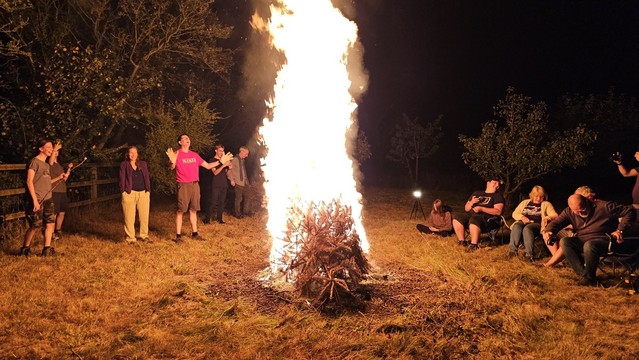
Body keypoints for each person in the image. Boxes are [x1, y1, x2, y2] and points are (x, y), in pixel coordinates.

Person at [542, 194, 635, 286]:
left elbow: (630, 211)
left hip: (605, 240)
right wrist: (549, 230)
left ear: (587, 201)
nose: (580, 212)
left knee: (590, 244)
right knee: (565, 242)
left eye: (582, 208)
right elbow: (557, 222)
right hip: (583, 240)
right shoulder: (569, 212)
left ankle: (588, 278)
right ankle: (585, 275)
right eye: (576, 211)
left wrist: (620, 230)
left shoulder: (604, 206)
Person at [166, 134, 232, 242]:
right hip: (183, 184)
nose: (187, 140)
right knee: (181, 210)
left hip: (195, 185)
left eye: (188, 138)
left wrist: (221, 162)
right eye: (185, 138)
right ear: (179, 142)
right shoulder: (177, 154)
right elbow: (172, 167)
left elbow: (208, 166)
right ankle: (178, 236)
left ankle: (195, 234)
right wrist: (172, 161)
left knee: (194, 209)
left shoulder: (194, 155)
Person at [19, 139, 68, 257]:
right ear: (41, 149)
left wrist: (59, 178)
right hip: (37, 199)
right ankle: (25, 248)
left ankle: (47, 249)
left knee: (50, 223)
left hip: (48, 199)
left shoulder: (46, 165)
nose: (52, 149)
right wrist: (35, 201)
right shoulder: (34, 162)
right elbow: (29, 181)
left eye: (52, 147)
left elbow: (47, 182)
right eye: (49, 147)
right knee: (35, 225)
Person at [452, 176, 505, 252]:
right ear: (488, 183)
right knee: (457, 217)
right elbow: (466, 208)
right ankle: (462, 241)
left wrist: (481, 208)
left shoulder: (498, 196)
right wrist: (471, 203)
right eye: (495, 183)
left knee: (475, 219)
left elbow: (498, 211)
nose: (497, 185)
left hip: (488, 221)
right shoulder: (477, 193)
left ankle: (474, 245)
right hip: (472, 217)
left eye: (498, 184)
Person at [507, 185, 558, 261]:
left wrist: (547, 218)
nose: (538, 199)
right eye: (536, 196)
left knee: (528, 228)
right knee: (517, 225)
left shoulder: (546, 204)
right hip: (523, 222)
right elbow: (515, 213)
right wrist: (522, 217)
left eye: (541, 197)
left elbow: (555, 215)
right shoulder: (525, 202)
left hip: (536, 224)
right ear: (532, 195)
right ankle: (512, 251)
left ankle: (529, 255)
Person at [119, 146, 151, 244]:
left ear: (138, 154)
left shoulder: (143, 164)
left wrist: (148, 190)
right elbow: (121, 179)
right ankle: (130, 238)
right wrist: (123, 192)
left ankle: (144, 235)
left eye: (135, 152)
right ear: (128, 154)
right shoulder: (124, 164)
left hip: (143, 193)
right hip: (129, 193)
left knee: (144, 216)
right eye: (131, 152)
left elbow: (146, 177)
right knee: (129, 217)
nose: (133, 154)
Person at [48, 141, 72, 241]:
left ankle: (58, 230)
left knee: (62, 212)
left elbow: (64, 179)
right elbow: (51, 160)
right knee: (54, 213)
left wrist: (69, 170)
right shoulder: (50, 163)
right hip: (55, 190)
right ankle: (51, 233)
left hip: (62, 190)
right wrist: (55, 149)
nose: (57, 152)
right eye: (55, 151)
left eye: (58, 151)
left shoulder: (58, 165)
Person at [205, 144, 232, 224]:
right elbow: (215, 172)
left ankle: (219, 219)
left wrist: (230, 168)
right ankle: (207, 220)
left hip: (224, 184)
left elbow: (227, 174)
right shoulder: (212, 160)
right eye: (220, 150)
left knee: (222, 202)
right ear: (216, 150)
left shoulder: (224, 160)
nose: (221, 152)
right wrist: (223, 165)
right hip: (216, 184)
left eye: (222, 151)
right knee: (213, 202)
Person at [227, 146, 250, 218]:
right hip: (238, 182)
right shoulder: (235, 159)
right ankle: (237, 214)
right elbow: (229, 170)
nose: (247, 155)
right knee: (238, 199)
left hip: (244, 182)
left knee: (248, 196)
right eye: (246, 153)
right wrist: (231, 180)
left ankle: (245, 212)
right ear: (242, 151)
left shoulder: (242, 160)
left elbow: (243, 171)